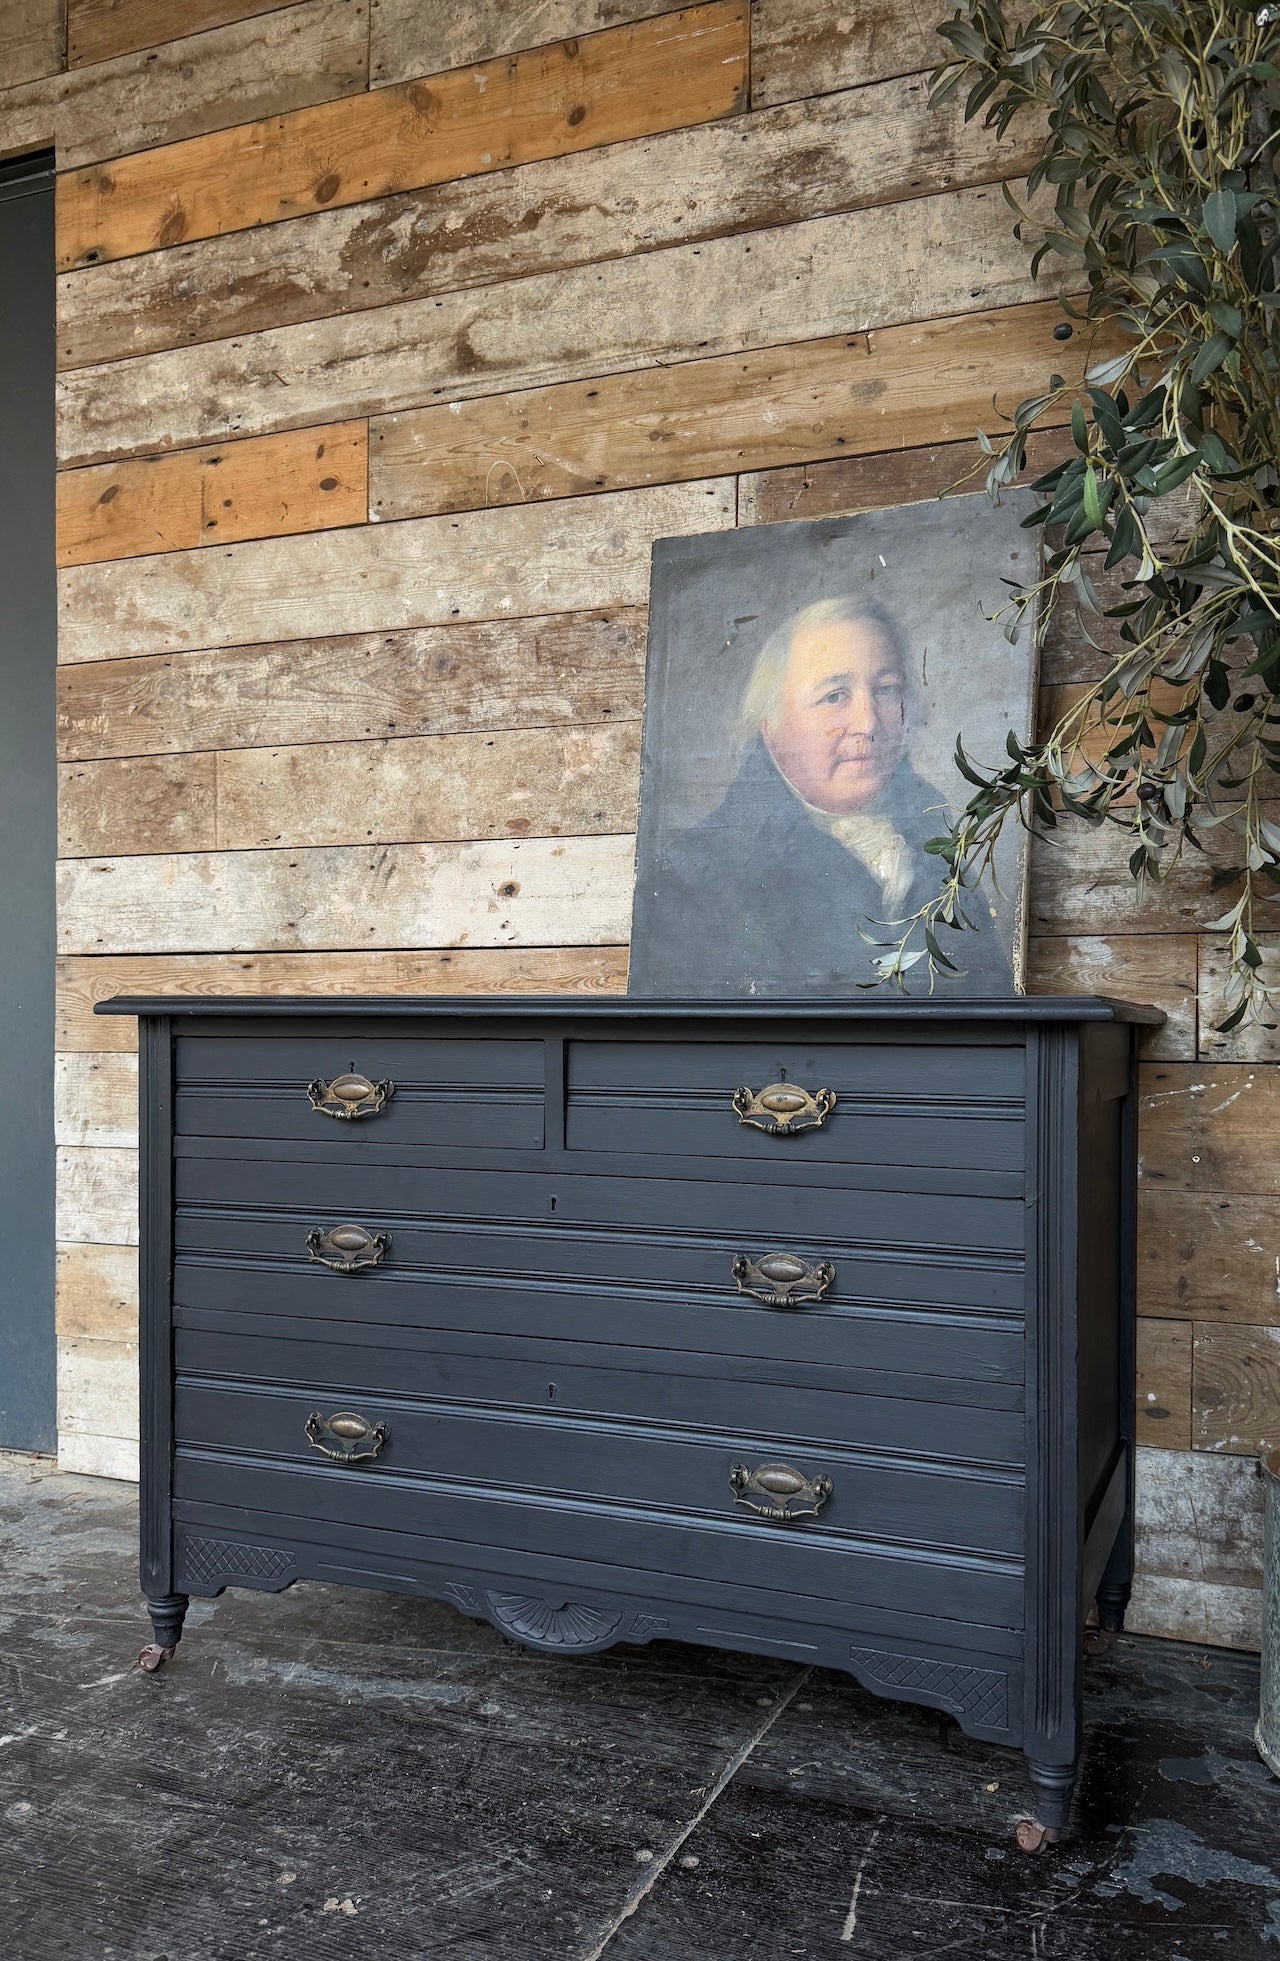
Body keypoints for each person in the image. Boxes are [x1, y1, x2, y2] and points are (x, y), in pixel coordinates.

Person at [630, 595, 1012, 995]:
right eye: (834, 696)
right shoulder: (691, 876)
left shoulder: (936, 831)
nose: (867, 723)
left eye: (886, 689)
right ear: (770, 723)